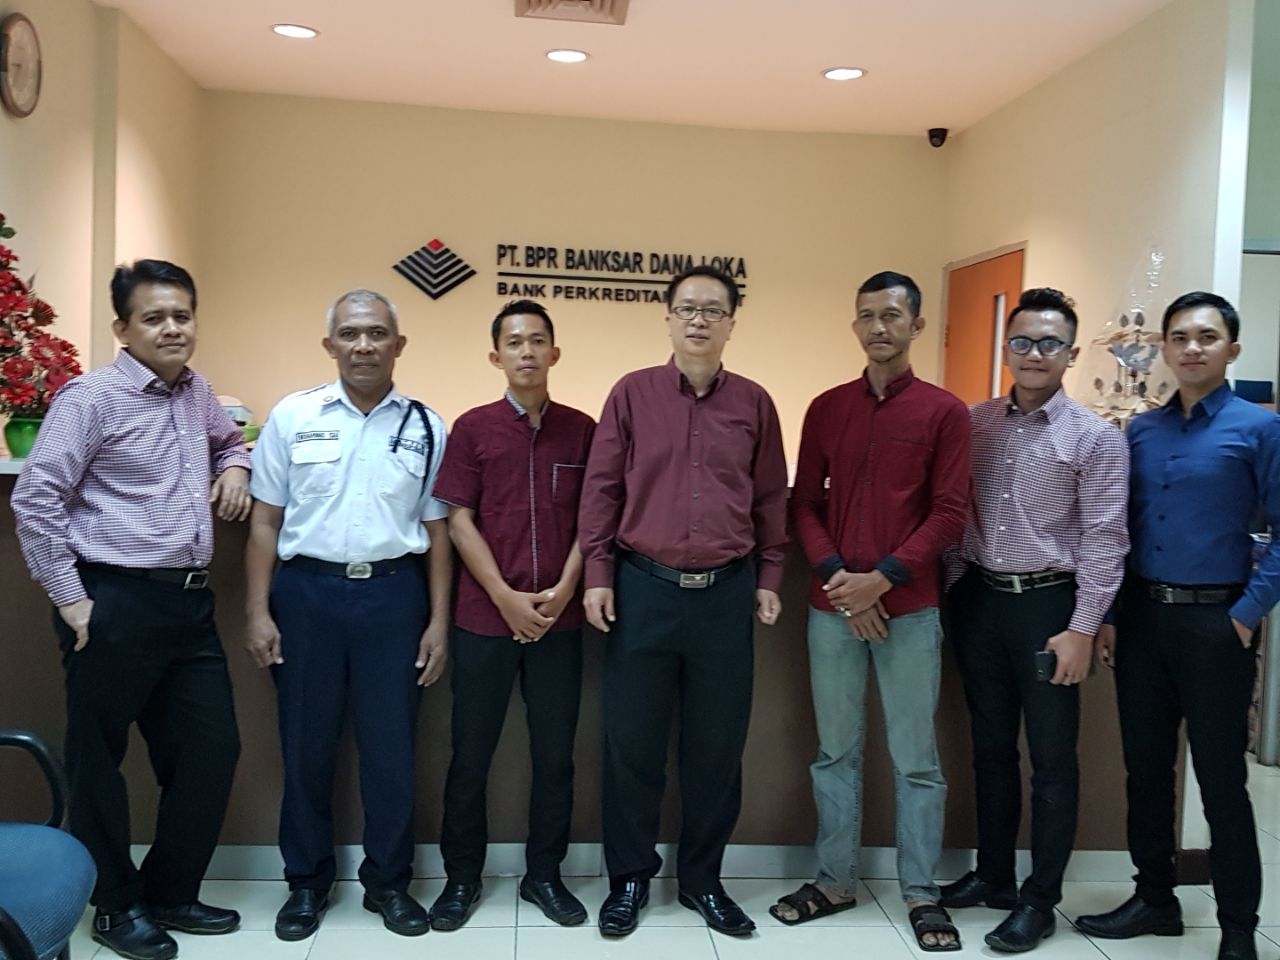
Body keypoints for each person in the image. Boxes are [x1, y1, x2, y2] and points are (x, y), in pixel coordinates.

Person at [12, 259, 250, 960]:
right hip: (111, 600)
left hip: (187, 605)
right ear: (122, 328)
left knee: (211, 751)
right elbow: (36, 500)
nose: (172, 328)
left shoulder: (195, 393)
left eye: (182, 315)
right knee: (99, 761)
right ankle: (114, 907)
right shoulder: (90, 399)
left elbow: (229, 440)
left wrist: (235, 466)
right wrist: (71, 600)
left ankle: (170, 891)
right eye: (154, 317)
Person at [578, 265, 787, 937]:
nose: (699, 320)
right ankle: (629, 879)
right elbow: (602, 490)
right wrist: (598, 573)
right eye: (687, 308)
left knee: (716, 750)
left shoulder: (754, 403)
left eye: (713, 310)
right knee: (631, 746)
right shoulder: (631, 394)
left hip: (725, 597)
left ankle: (702, 881)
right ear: (668, 319)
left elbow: (770, 498)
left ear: (731, 324)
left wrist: (770, 577)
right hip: (642, 590)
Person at [1076, 292, 1279, 960]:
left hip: (1217, 625)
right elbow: (1118, 531)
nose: (1192, 348)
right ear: (1163, 348)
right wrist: (1110, 614)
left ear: (1232, 349)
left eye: (1207, 337)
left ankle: (1239, 928)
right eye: (1180, 337)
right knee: (1145, 772)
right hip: (1142, 622)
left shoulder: (1260, 429)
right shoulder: (1141, 433)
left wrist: (1246, 615)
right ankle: (1155, 900)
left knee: (1221, 781)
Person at [243, 289, 450, 941]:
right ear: (330, 344)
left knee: (391, 752)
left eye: (378, 333)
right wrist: (257, 610)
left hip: (394, 598)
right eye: (352, 333)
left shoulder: (426, 426)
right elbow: (265, 522)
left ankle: (388, 883)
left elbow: (438, 531)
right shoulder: (293, 416)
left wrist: (438, 622)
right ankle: (307, 883)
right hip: (306, 597)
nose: (364, 345)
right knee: (306, 746)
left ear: (399, 345)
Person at [774, 270, 969, 953]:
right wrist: (840, 582)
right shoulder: (827, 408)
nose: (877, 327)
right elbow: (804, 504)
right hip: (831, 608)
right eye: (866, 315)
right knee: (834, 753)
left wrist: (879, 582)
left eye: (890, 315)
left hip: (909, 610)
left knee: (917, 760)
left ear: (916, 325)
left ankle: (922, 892)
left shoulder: (944, 412)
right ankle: (835, 881)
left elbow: (949, 513)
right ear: (855, 325)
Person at [939, 288, 1129, 952]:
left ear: (1071, 354)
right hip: (980, 602)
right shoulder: (974, 423)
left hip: (1050, 608)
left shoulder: (1095, 438)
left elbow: (1106, 540)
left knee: (1051, 760)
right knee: (989, 749)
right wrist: (955, 591)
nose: (1034, 354)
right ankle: (993, 875)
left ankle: (1039, 900)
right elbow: (955, 512)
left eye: (1050, 343)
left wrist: (1083, 627)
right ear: (1006, 348)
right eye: (1022, 341)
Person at [428, 301, 595, 930]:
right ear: (496, 356)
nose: (527, 351)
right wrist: (501, 595)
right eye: (515, 342)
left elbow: (594, 520)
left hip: (559, 620)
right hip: (484, 618)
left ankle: (544, 876)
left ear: (555, 352)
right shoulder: (472, 429)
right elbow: (458, 519)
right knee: (470, 755)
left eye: (538, 340)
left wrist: (566, 587)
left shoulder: (583, 430)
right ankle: (461, 879)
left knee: (555, 757)